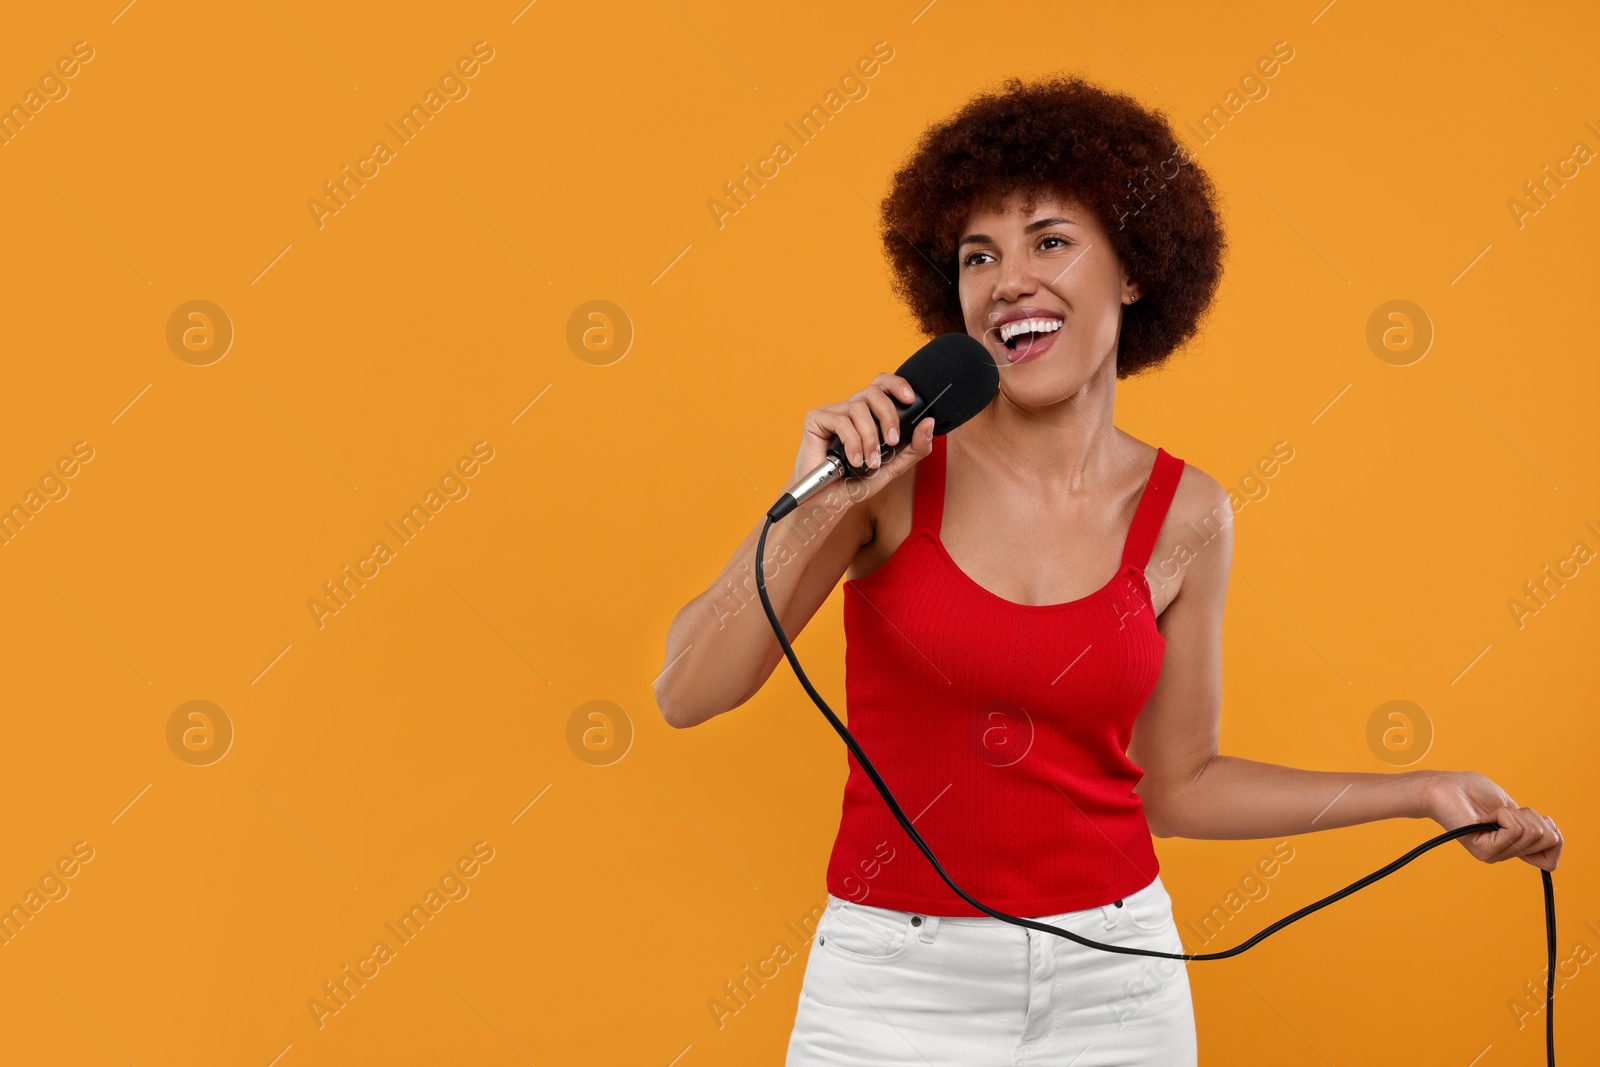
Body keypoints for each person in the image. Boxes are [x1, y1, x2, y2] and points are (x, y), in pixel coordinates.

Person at [653, 74, 1562, 1066]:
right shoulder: (890, 474)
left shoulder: (1188, 512)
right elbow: (686, 691)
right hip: (892, 985)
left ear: (1132, 269)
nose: (1008, 279)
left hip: (1117, 982)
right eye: (977, 254)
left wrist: (1419, 790)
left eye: (1050, 239)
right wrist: (815, 498)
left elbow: (1181, 784)